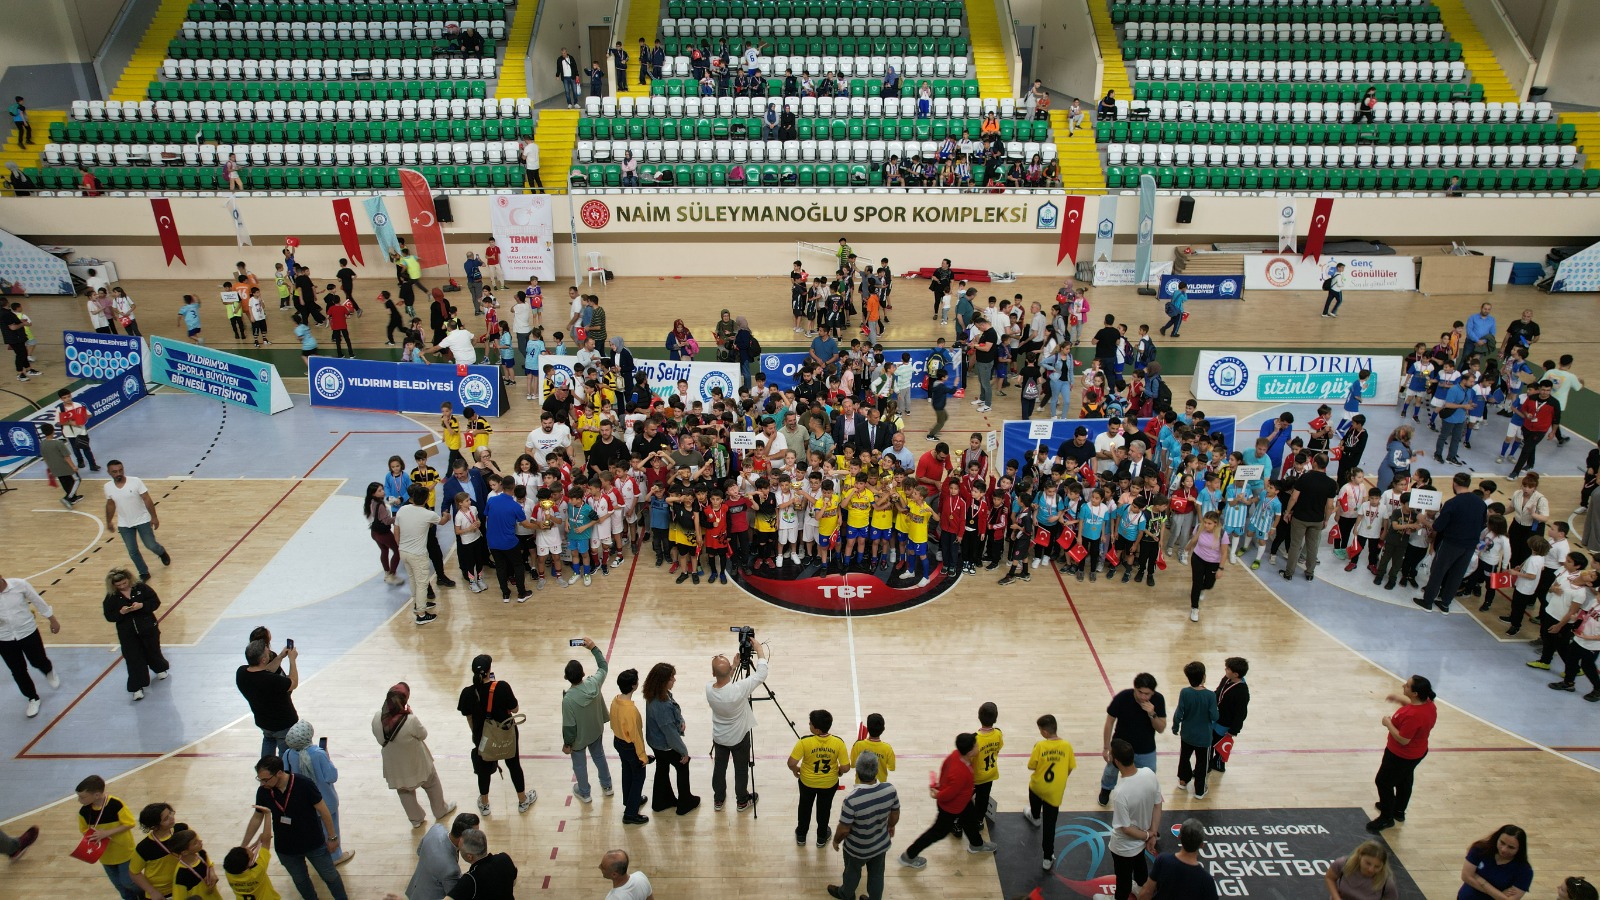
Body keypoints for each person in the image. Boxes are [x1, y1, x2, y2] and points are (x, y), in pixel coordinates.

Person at [242, 755, 348, 900]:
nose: (262, 783)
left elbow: (323, 810)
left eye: (265, 779)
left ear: (279, 773)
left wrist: (332, 837)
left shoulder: (303, 783)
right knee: (301, 881)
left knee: (330, 876)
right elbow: (257, 817)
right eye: (259, 779)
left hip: (314, 843)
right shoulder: (264, 791)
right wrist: (244, 845)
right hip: (286, 848)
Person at [897, 732, 991, 868]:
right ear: (970, 752)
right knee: (937, 833)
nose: (978, 746)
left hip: (962, 802)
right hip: (951, 808)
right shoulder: (962, 773)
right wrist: (938, 794)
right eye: (976, 745)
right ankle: (909, 856)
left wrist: (938, 787)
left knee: (970, 820)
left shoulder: (954, 755)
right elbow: (949, 794)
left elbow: (944, 770)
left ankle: (977, 844)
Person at [459, 654, 536, 817]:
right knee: (514, 765)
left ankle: (485, 804)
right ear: (489, 671)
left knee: (483, 770)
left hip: (483, 737)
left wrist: (477, 735)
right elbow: (515, 709)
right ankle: (522, 800)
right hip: (506, 735)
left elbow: (469, 717)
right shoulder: (501, 687)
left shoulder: (467, 693)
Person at [373, 681, 456, 828]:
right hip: (417, 763)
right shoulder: (409, 720)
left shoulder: (378, 717)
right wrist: (410, 713)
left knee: (404, 791)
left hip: (395, 766)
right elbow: (423, 734)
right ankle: (440, 810)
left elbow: (380, 739)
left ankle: (416, 819)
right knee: (432, 783)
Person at [1367, 674, 1437, 833]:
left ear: (1415, 693)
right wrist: (1399, 699)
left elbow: (1403, 739)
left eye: (1407, 686)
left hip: (1400, 755)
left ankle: (1386, 818)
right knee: (1404, 780)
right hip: (1417, 753)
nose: (1403, 686)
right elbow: (1415, 706)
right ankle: (1398, 810)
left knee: (1383, 782)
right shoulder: (1429, 705)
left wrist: (1388, 723)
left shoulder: (1412, 715)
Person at [706, 635, 769, 811]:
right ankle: (742, 801)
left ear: (713, 674)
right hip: (739, 738)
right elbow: (761, 674)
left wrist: (733, 667)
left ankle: (718, 800)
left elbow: (722, 679)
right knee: (741, 770)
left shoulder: (708, 689)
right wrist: (759, 649)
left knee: (719, 769)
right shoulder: (739, 689)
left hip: (719, 737)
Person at [1413, 471, 1488, 615]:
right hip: (1470, 545)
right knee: (1457, 574)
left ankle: (1428, 601)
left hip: (1452, 543)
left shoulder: (1452, 503)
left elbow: (1437, 527)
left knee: (1438, 572)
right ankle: (1445, 604)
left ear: (1454, 484)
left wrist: (1422, 519)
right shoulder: (1480, 502)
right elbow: (1482, 524)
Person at [827, 750, 898, 900]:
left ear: (857, 772)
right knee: (877, 876)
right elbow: (894, 815)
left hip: (857, 849)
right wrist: (890, 826)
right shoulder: (889, 789)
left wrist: (836, 840)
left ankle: (846, 894)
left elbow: (844, 829)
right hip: (880, 845)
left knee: (852, 872)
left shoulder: (851, 800)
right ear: (877, 770)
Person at [282, 721, 350, 865]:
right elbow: (331, 776)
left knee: (313, 830)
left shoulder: (288, 754)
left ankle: (317, 857)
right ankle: (335, 856)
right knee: (331, 827)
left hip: (303, 803)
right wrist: (328, 757)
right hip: (326, 800)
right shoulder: (318, 754)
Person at [1098, 673, 1167, 807]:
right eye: (1139, 692)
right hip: (1120, 747)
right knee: (1111, 771)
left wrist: (1152, 714)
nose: (1143, 697)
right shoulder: (1123, 697)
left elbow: (1161, 728)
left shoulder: (1158, 700)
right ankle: (1105, 790)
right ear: (1134, 688)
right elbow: (1109, 722)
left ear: (1153, 692)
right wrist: (1107, 747)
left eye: (1147, 694)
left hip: (1146, 748)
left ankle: (1143, 796)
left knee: (1149, 776)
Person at [1107, 738, 1163, 900]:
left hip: (1124, 847)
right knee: (1140, 868)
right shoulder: (1149, 774)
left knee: (1123, 880)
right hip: (1142, 842)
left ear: (1116, 761)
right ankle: (1141, 889)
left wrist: (1147, 836)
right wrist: (1152, 834)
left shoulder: (1119, 793)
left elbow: (1125, 827)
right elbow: (1157, 805)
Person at [102, 566, 170, 701]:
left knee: (153, 650)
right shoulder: (111, 597)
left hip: (148, 627)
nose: (122, 586)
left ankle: (160, 668)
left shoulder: (141, 588)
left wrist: (142, 606)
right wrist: (120, 613)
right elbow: (109, 616)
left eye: (124, 583)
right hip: (127, 633)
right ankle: (137, 687)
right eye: (119, 585)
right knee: (133, 658)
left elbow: (155, 602)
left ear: (129, 579)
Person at [561, 638, 615, 803]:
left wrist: (567, 744)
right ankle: (607, 786)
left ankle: (584, 793)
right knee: (599, 756)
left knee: (579, 765)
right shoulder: (594, 683)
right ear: (583, 674)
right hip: (596, 731)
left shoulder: (568, 699)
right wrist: (593, 647)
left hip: (579, 739)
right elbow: (603, 667)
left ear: (566, 677)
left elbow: (569, 727)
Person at [641, 662, 700, 815]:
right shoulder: (662, 705)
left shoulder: (656, 693)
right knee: (682, 765)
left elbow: (674, 710)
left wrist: (680, 721)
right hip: (665, 745)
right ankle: (685, 802)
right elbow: (671, 735)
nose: (674, 680)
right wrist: (683, 752)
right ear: (663, 681)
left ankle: (661, 800)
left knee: (662, 767)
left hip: (655, 742)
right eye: (671, 677)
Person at [789, 708, 850, 847]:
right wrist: (839, 772)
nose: (808, 725)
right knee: (824, 809)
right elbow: (846, 767)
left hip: (807, 783)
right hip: (829, 784)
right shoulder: (838, 742)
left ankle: (801, 835)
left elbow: (791, 763)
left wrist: (796, 770)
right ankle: (821, 837)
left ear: (816, 729)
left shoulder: (804, 742)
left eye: (810, 723)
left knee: (804, 807)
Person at [75, 774, 140, 900]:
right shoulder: (84, 812)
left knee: (128, 882)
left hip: (124, 852)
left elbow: (130, 823)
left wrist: (106, 833)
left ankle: (145, 893)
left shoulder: (115, 804)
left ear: (97, 795)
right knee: (120, 886)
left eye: (82, 797)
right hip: (104, 855)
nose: (79, 800)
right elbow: (84, 830)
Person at [104, 460, 171, 581]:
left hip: (142, 520)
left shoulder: (135, 481)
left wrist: (154, 517)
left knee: (150, 545)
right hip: (124, 524)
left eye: (120, 470)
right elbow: (110, 504)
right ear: (108, 472)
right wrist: (108, 521)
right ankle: (144, 572)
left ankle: (161, 552)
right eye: (114, 472)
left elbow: (147, 499)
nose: (118, 473)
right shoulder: (108, 487)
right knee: (132, 551)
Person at [1024, 714, 1075, 872]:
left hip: (1038, 787)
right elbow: (1070, 767)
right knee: (1050, 826)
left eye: (1040, 730)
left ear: (1045, 732)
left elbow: (1031, 766)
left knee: (1033, 795)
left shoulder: (1040, 746)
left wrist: (1035, 750)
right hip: (1054, 793)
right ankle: (1047, 857)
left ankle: (1035, 817)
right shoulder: (1067, 746)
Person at [1280, 452, 1337, 582]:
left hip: (1300, 517)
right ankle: (1310, 573)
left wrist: (1287, 512)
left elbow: (1294, 497)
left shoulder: (1304, 478)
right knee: (1312, 547)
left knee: (1295, 545)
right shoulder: (1331, 484)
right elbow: (1329, 506)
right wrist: (1326, 519)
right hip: (1317, 519)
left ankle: (1289, 573)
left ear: (1314, 463)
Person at [237, 637, 297, 757]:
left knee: (268, 742)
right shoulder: (272, 680)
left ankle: (264, 771)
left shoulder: (241, 673)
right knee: (286, 756)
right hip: (283, 724)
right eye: (267, 652)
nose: (270, 653)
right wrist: (292, 660)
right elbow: (293, 682)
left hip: (264, 722)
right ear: (264, 659)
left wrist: (280, 657)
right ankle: (283, 773)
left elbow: (265, 670)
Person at [403, 812, 479, 900]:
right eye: (475, 834)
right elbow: (454, 895)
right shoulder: (451, 870)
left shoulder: (436, 828)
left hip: (414, 889)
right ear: (461, 839)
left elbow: (419, 851)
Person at [610, 668, 652, 825]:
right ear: (634, 686)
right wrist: (643, 757)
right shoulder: (631, 711)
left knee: (627, 772)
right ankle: (630, 813)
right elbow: (636, 737)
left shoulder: (615, 700)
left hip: (618, 742)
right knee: (638, 777)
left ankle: (630, 800)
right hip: (630, 747)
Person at [1171, 661, 1218, 800]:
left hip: (1187, 734)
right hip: (1204, 738)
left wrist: (1175, 726)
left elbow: (1179, 712)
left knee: (1184, 757)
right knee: (1202, 763)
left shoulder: (1185, 692)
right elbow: (1214, 716)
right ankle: (1199, 790)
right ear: (1204, 676)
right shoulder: (1210, 695)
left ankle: (1183, 781)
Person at [1137, 818, 1215, 900]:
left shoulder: (1163, 861)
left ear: (1179, 837)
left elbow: (1146, 892)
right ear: (1202, 845)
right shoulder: (1206, 880)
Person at [1457, 825, 1532, 900]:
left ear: (1519, 849)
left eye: (1511, 847)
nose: (1504, 849)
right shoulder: (1480, 849)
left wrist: (1483, 882)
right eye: (1502, 843)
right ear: (1497, 838)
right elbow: (1466, 876)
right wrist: (1498, 894)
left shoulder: (1524, 871)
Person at [449, 828, 517, 898]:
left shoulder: (470, 880)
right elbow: (513, 882)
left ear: (469, 857)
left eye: (459, 849)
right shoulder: (504, 858)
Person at [1210, 658, 1249, 773]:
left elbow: (1241, 713)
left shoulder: (1242, 692)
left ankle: (1219, 764)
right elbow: (1219, 691)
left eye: (1228, 669)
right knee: (1211, 743)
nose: (1225, 670)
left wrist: (1234, 730)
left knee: (1219, 745)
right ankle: (1208, 764)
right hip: (1216, 718)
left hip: (1225, 724)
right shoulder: (1227, 678)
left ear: (1236, 674)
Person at [1325, 841, 1400, 900]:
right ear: (1360, 856)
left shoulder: (1386, 882)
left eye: (1377, 867)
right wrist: (1336, 898)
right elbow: (1330, 878)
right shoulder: (1343, 864)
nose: (1371, 869)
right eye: (1368, 863)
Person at [37, 424, 79, 508]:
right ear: (53, 430)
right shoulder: (58, 443)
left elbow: (44, 457)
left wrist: (50, 468)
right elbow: (67, 456)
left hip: (54, 468)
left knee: (65, 482)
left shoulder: (42, 444)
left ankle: (73, 498)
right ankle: (68, 498)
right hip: (64, 466)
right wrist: (73, 466)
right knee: (77, 480)